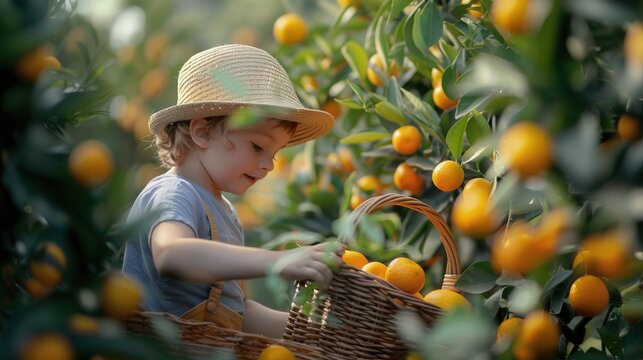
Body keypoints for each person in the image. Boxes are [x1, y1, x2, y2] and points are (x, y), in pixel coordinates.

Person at [122, 44, 343, 338]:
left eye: (275, 154)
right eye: (258, 147)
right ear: (201, 132)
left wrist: (311, 331)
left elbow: (238, 312)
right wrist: (279, 261)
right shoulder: (174, 192)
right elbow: (172, 255)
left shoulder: (225, 211)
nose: (269, 166)